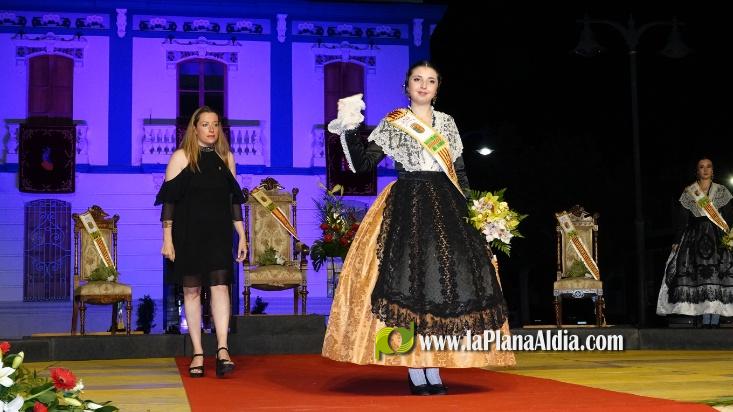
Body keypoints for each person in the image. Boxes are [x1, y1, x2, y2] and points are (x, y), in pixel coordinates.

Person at [322, 61, 514, 395]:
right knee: (406, 285)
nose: (423, 85)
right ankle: (412, 366)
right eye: (417, 79)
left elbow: (459, 172)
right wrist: (349, 128)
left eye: (431, 81)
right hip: (407, 205)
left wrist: (477, 213)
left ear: (438, 88)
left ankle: (433, 366)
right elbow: (362, 164)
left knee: (441, 287)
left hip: (447, 206)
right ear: (407, 86)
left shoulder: (447, 123)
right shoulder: (395, 121)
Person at [155, 106, 247, 377]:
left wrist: (242, 235)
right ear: (194, 129)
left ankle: (222, 350)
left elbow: (233, 201)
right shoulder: (181, 157)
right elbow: (169, 203)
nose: (211, 129)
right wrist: (167, 239)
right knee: (192, 292)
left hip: (218, 234)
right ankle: (197, 352)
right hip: (187, 235)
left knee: (220, 288)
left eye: (215, 124)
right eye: (205, 124)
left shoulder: (226, 158)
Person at [657, 157, 733, 327]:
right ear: (697, 171)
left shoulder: (722, 190)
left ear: (713, 170)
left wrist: (729, 237)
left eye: (708, 167)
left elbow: (729, 217)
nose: (705, 170)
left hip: (717, 237)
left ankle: (715, 317)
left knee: (717, 276)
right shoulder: (690, 192)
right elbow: (682, 219)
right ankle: (703, 316)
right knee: (698, 277)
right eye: (701, 167)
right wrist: (677, 240)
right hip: (695, 238)